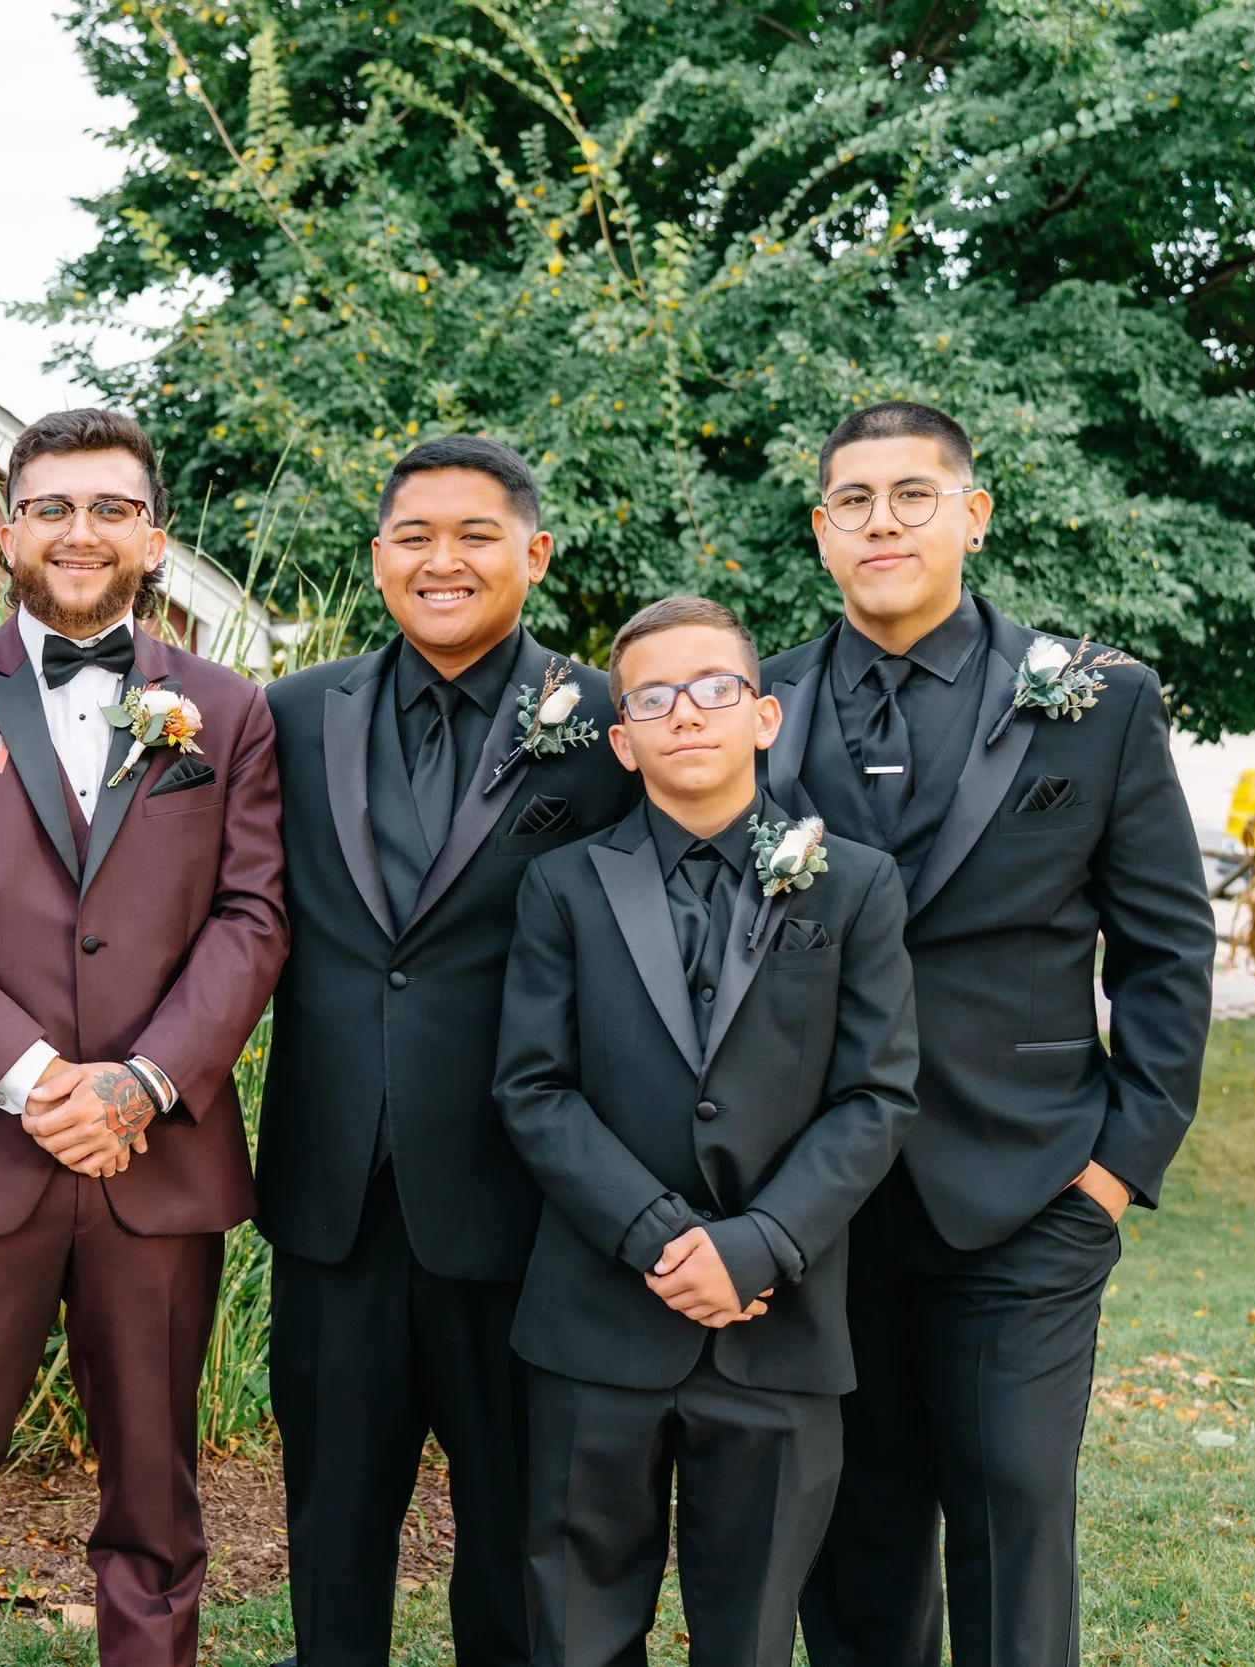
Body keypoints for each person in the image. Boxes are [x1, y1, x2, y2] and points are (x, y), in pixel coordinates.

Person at [769, 402, 1218, 1667]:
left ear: (972, 515)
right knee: (854, 1547)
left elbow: (1167, 954)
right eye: (852, 500)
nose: (882, 521)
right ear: (820, 532)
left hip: (1028, 1193)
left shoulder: (1099, 700)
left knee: (1016, 1519)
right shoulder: (756, 708)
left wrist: (1113, 1171)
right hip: (817, 1207)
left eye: (913, 495)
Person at [0, 408, 288, 1667]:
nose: (77, 530)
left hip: (159, 1165)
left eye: (107, 507)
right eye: (51, 506)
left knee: (156, 1495)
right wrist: (39, 1080)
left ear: (153, 536)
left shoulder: (226, 710)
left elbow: (253, 917)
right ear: (8, 530)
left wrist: (143, 1082)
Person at [255, 436, 639, 1667]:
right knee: (332, 1533)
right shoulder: (296, 713)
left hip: (520, 1203)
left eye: (476, 534)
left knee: (522, 1541)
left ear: (531, 552)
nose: (443, 559)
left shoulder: (602, 726)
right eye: (414, 534)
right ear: (378, 559)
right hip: (335, 1201)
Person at [495, 595, 920, 1667]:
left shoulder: (855, 882)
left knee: (751, 1632)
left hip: (779, 1321)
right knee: (578, 1628)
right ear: (621, 738)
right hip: (596, 1318)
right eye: (653, 696)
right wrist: (653, 1233)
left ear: (764, 716)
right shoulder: (561, 884)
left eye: (714, 688)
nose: (687, 712)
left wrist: (756, 1242)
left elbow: (875, 1095)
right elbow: (533, 1086)